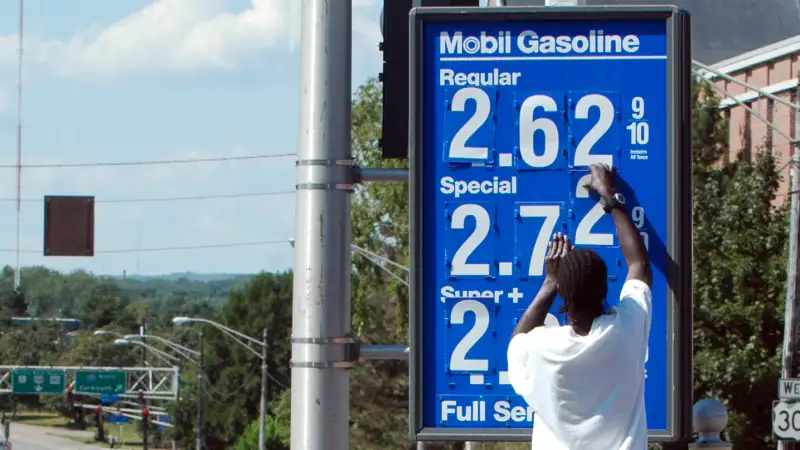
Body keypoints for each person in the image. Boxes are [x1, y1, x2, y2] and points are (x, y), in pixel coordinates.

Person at [507, 163, 652, 450]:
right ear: (605, 290)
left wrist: (549, 282)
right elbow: (639, 265)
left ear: (564, 298)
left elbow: (516, 344)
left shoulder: (542, 347)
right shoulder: (626, 328)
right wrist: (611, 198)